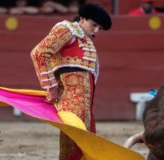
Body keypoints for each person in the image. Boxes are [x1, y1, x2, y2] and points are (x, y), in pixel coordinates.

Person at [30, 3, 112, 160]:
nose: (96, 31)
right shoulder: (67, 30)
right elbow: (39, 53)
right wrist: (51, 87)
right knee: (74, 150)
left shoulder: (83, 39)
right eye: (94, 25)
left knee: (85, 149)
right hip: (72, 104)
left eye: (99, 28)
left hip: (86, 106)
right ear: (82, 19)